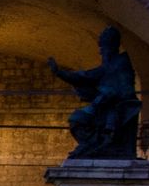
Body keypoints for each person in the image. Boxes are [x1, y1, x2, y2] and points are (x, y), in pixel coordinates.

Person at [47, 26, 139, 159]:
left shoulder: (121, 63)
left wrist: (111, 96)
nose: (101, 52)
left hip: (119, 105)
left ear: (112, 46)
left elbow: (126, 89)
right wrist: (59, 72)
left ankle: (102, 144)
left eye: (103, 48)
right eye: (101, 48)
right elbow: (85, 76)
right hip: (103, 104)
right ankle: (91, 144)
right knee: (77, 118)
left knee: (90, 119)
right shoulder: (107, 66)